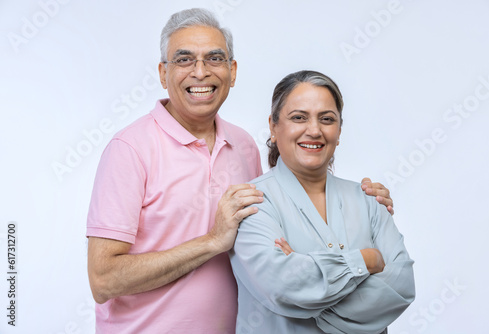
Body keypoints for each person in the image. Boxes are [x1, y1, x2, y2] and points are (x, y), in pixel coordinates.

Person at [86, 8, 395, 334]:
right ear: (164, 73)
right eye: (184, 59)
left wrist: (363, 206)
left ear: (232, 72)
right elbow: (103, 279)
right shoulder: (130, 149)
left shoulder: (244, 145)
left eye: (214, 59)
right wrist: (212, 242)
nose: (200, 72)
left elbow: (287, 228)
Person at [230, 70, 415, 334]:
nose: (314, 130)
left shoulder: (369, 200)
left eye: (327, 119)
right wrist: (367, 260)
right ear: (273, 126)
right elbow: (281, 286)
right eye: (299, 118)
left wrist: (310, 291)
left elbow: (401, 287)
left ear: (339, 131)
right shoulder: (253, 202)